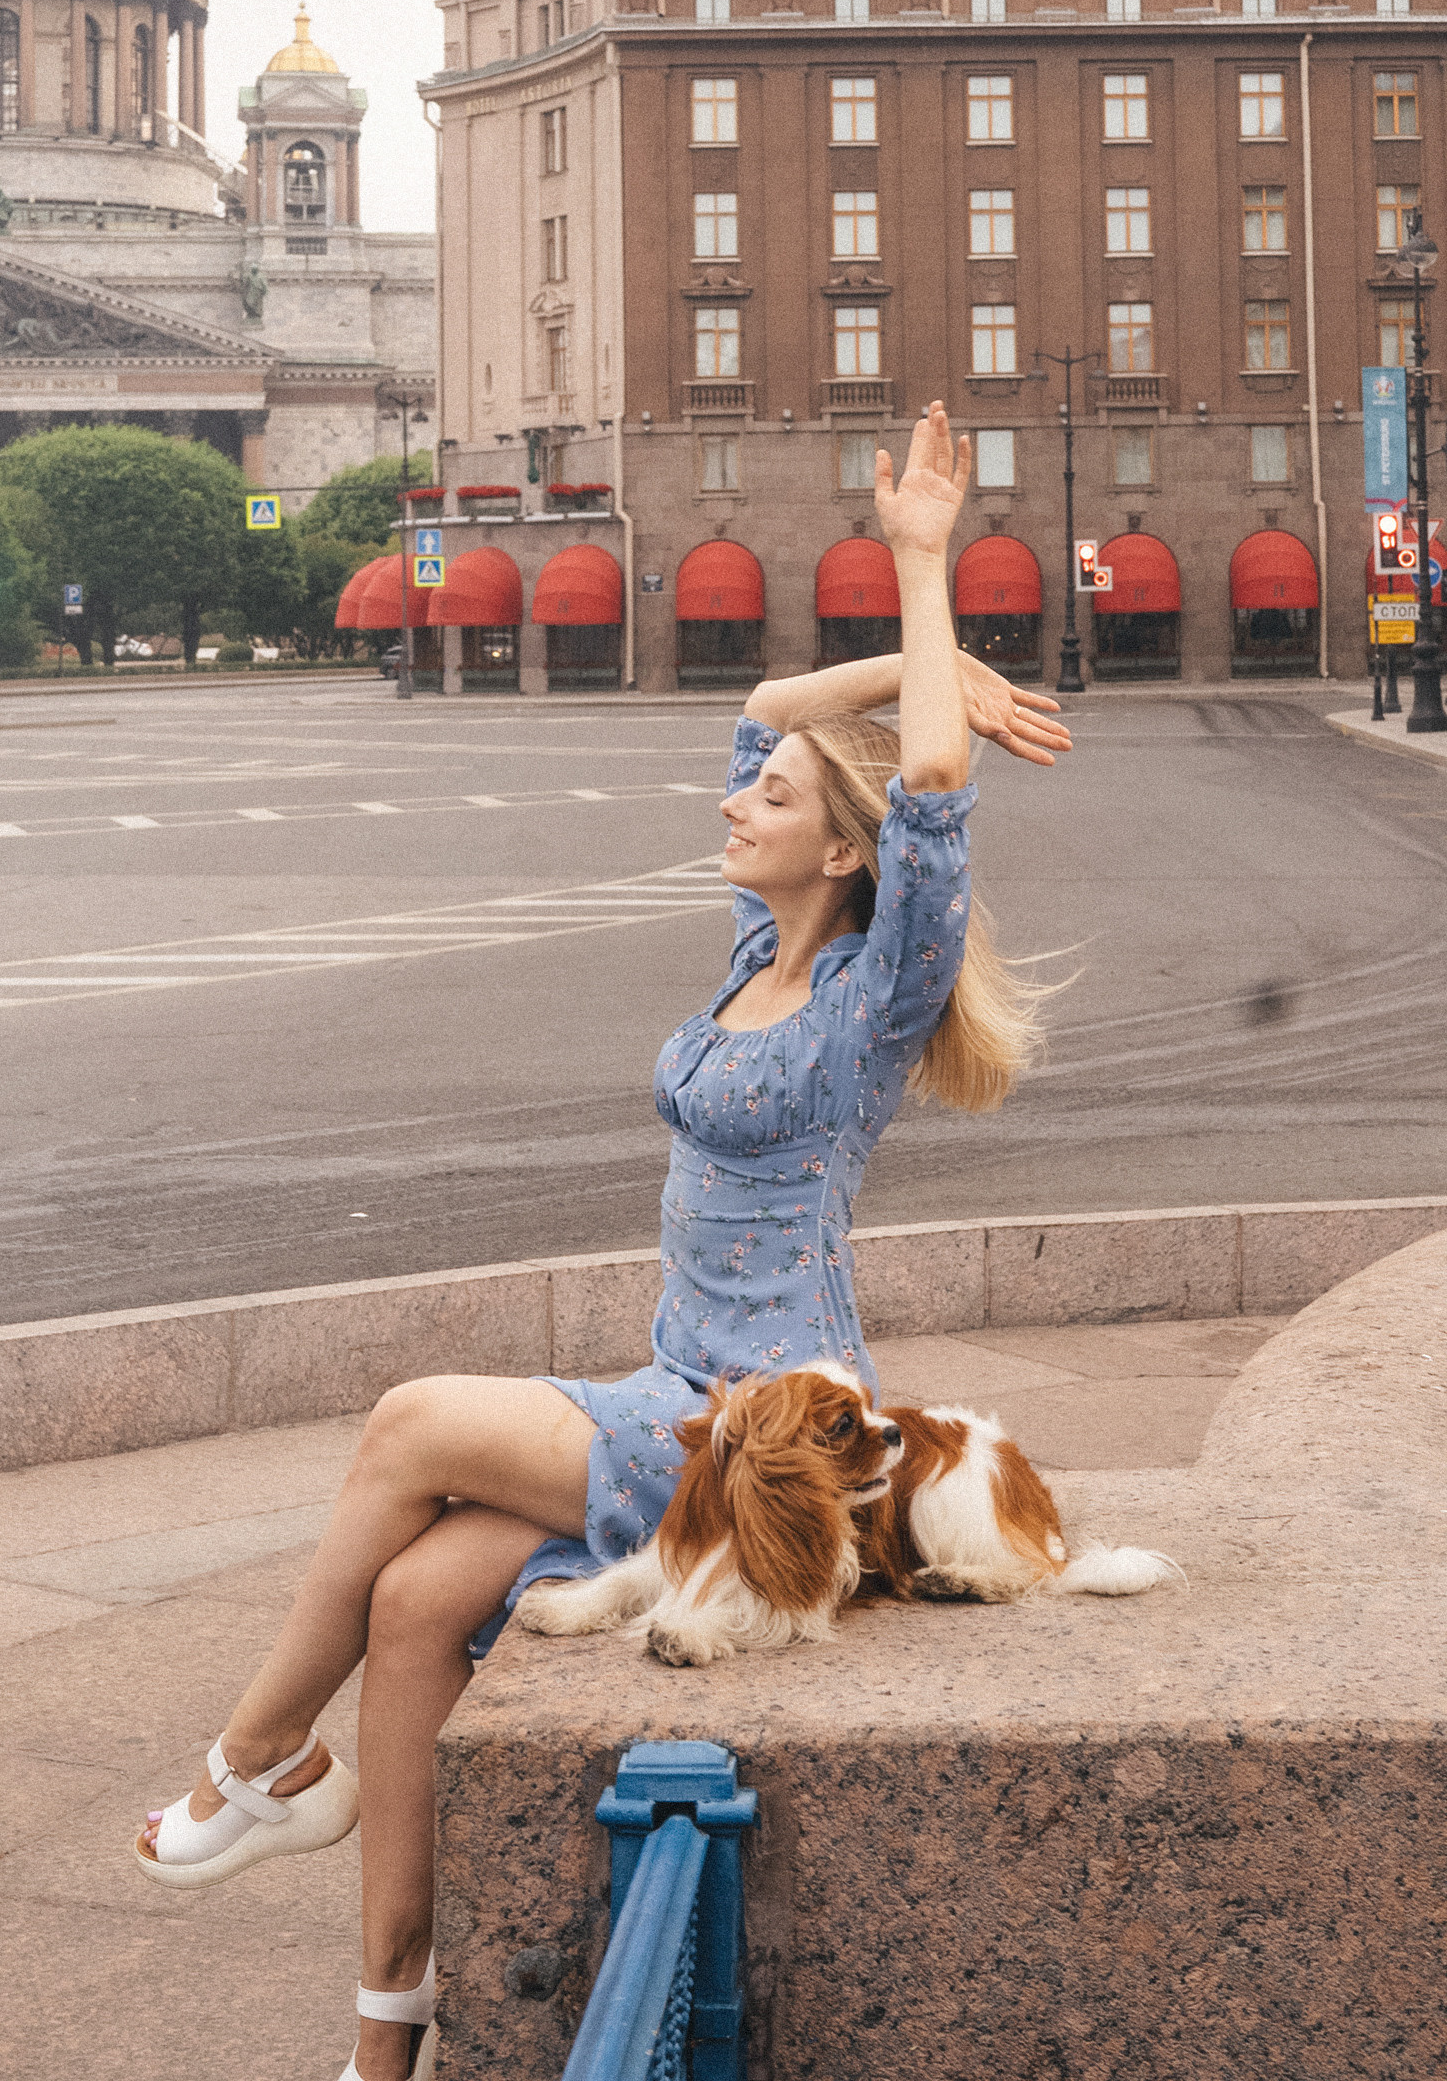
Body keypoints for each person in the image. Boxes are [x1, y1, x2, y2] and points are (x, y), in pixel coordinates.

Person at [133, 403, 1070, 2081]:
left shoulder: (869, 1001)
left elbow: (930, 794)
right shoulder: (758, 952)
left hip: (759, 1419)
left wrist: (926, 569)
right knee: (415, 1601)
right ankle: (385, 2042)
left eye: (770, 801)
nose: (735, 799)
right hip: (672, 1383)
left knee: (409, 1423)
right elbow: (773, 702)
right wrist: (907, 673)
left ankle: (260, 1754)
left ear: (840, 851)